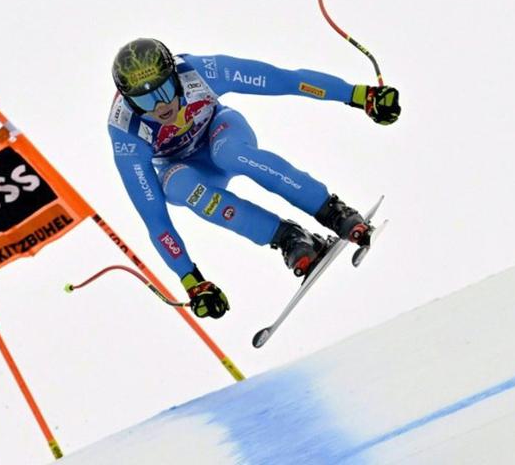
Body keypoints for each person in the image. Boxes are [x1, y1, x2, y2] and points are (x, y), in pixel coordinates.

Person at [108, 38, 400, 319]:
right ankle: (289, 238)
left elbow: (285, 80)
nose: (160, 106)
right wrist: (192, 282)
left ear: (174, 75)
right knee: (175, 187)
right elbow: (156, 221)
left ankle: (334, 211)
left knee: (229, 153)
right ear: (128, 101)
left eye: (163, 90)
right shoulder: (126, 132)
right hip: (189, 169)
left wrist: (360, 96)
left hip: (221, 132)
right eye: (144, 100)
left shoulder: (198, 72)